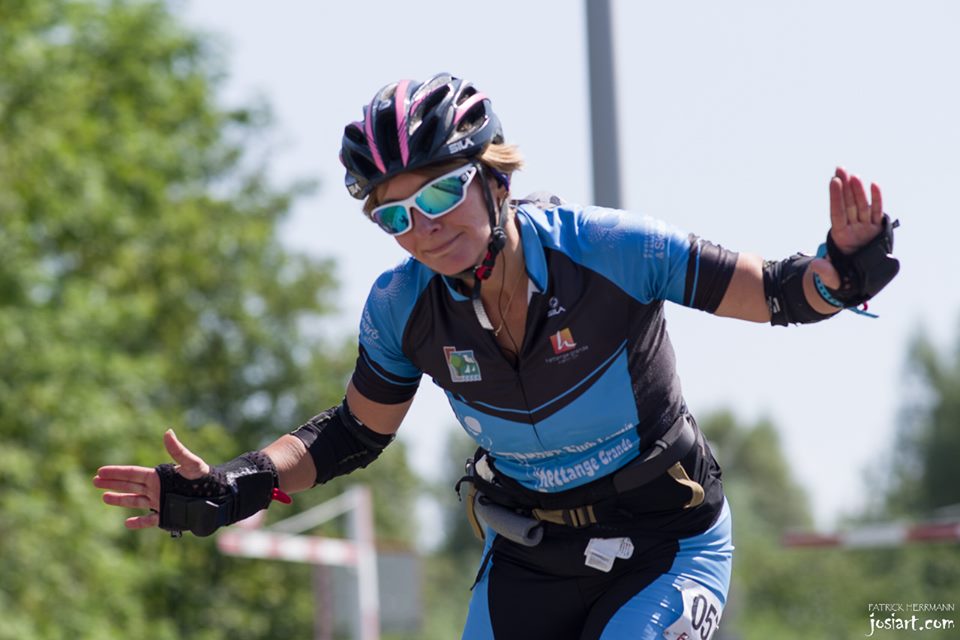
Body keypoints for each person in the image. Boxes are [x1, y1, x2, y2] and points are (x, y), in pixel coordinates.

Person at [93, 72, 899, 639]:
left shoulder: (611, 250)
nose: (424, 227)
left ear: (495, 181)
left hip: (666, 543)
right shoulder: (402, 308)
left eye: (441, 193)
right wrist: (234, 485)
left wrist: (844, 269)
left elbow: (781, 294)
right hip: (530, 556)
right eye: (395, 216)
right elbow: (349, 436)